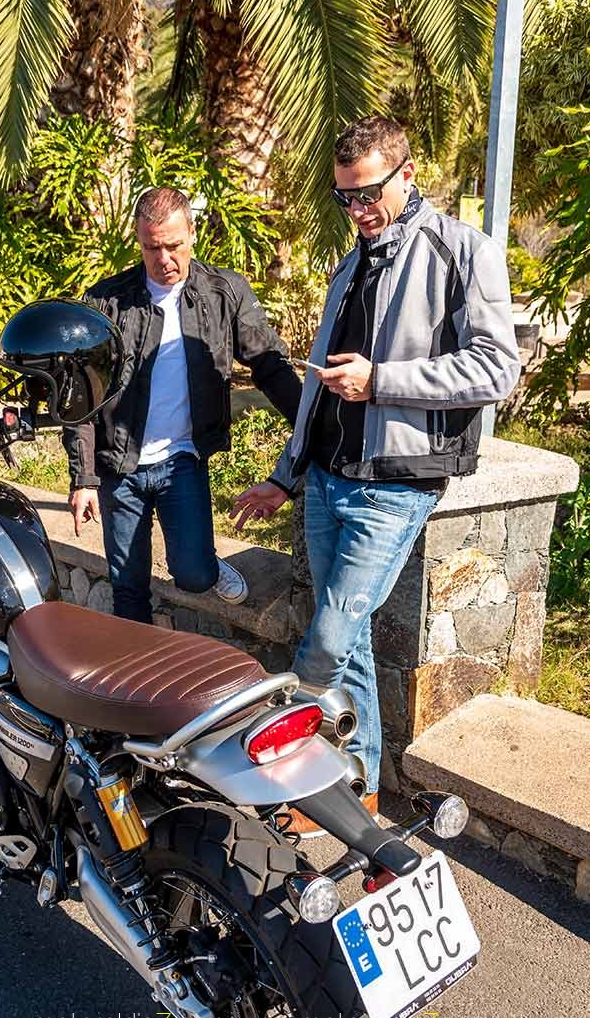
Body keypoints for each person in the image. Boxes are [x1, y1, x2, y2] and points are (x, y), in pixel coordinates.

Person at [232, 115, 519, 835]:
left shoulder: (464, 251)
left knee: (328, 642)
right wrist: (286, 476)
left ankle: (298, 768)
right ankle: (355, 789)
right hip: (328, 481)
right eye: (345, 198)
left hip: (395, 486)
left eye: (368, 194)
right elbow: (319, 392)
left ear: (408, 174)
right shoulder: (350, 264)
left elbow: (496, 369)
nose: (357, 210)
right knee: (350, 641)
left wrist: (382, 380)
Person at [63, 186, 302, 624]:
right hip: (119, 466)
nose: (164, 259)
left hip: (181, 460)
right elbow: (80, 398)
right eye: (152, 248)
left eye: (173, 245)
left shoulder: (223, 292)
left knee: (194, 575)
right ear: (139, 241)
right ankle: (136, 667)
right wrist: (84, 479)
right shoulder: (106, 302)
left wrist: (310, 422)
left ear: (192, 233)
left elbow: (269, 365)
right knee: (127, 586)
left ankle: (208, 566)